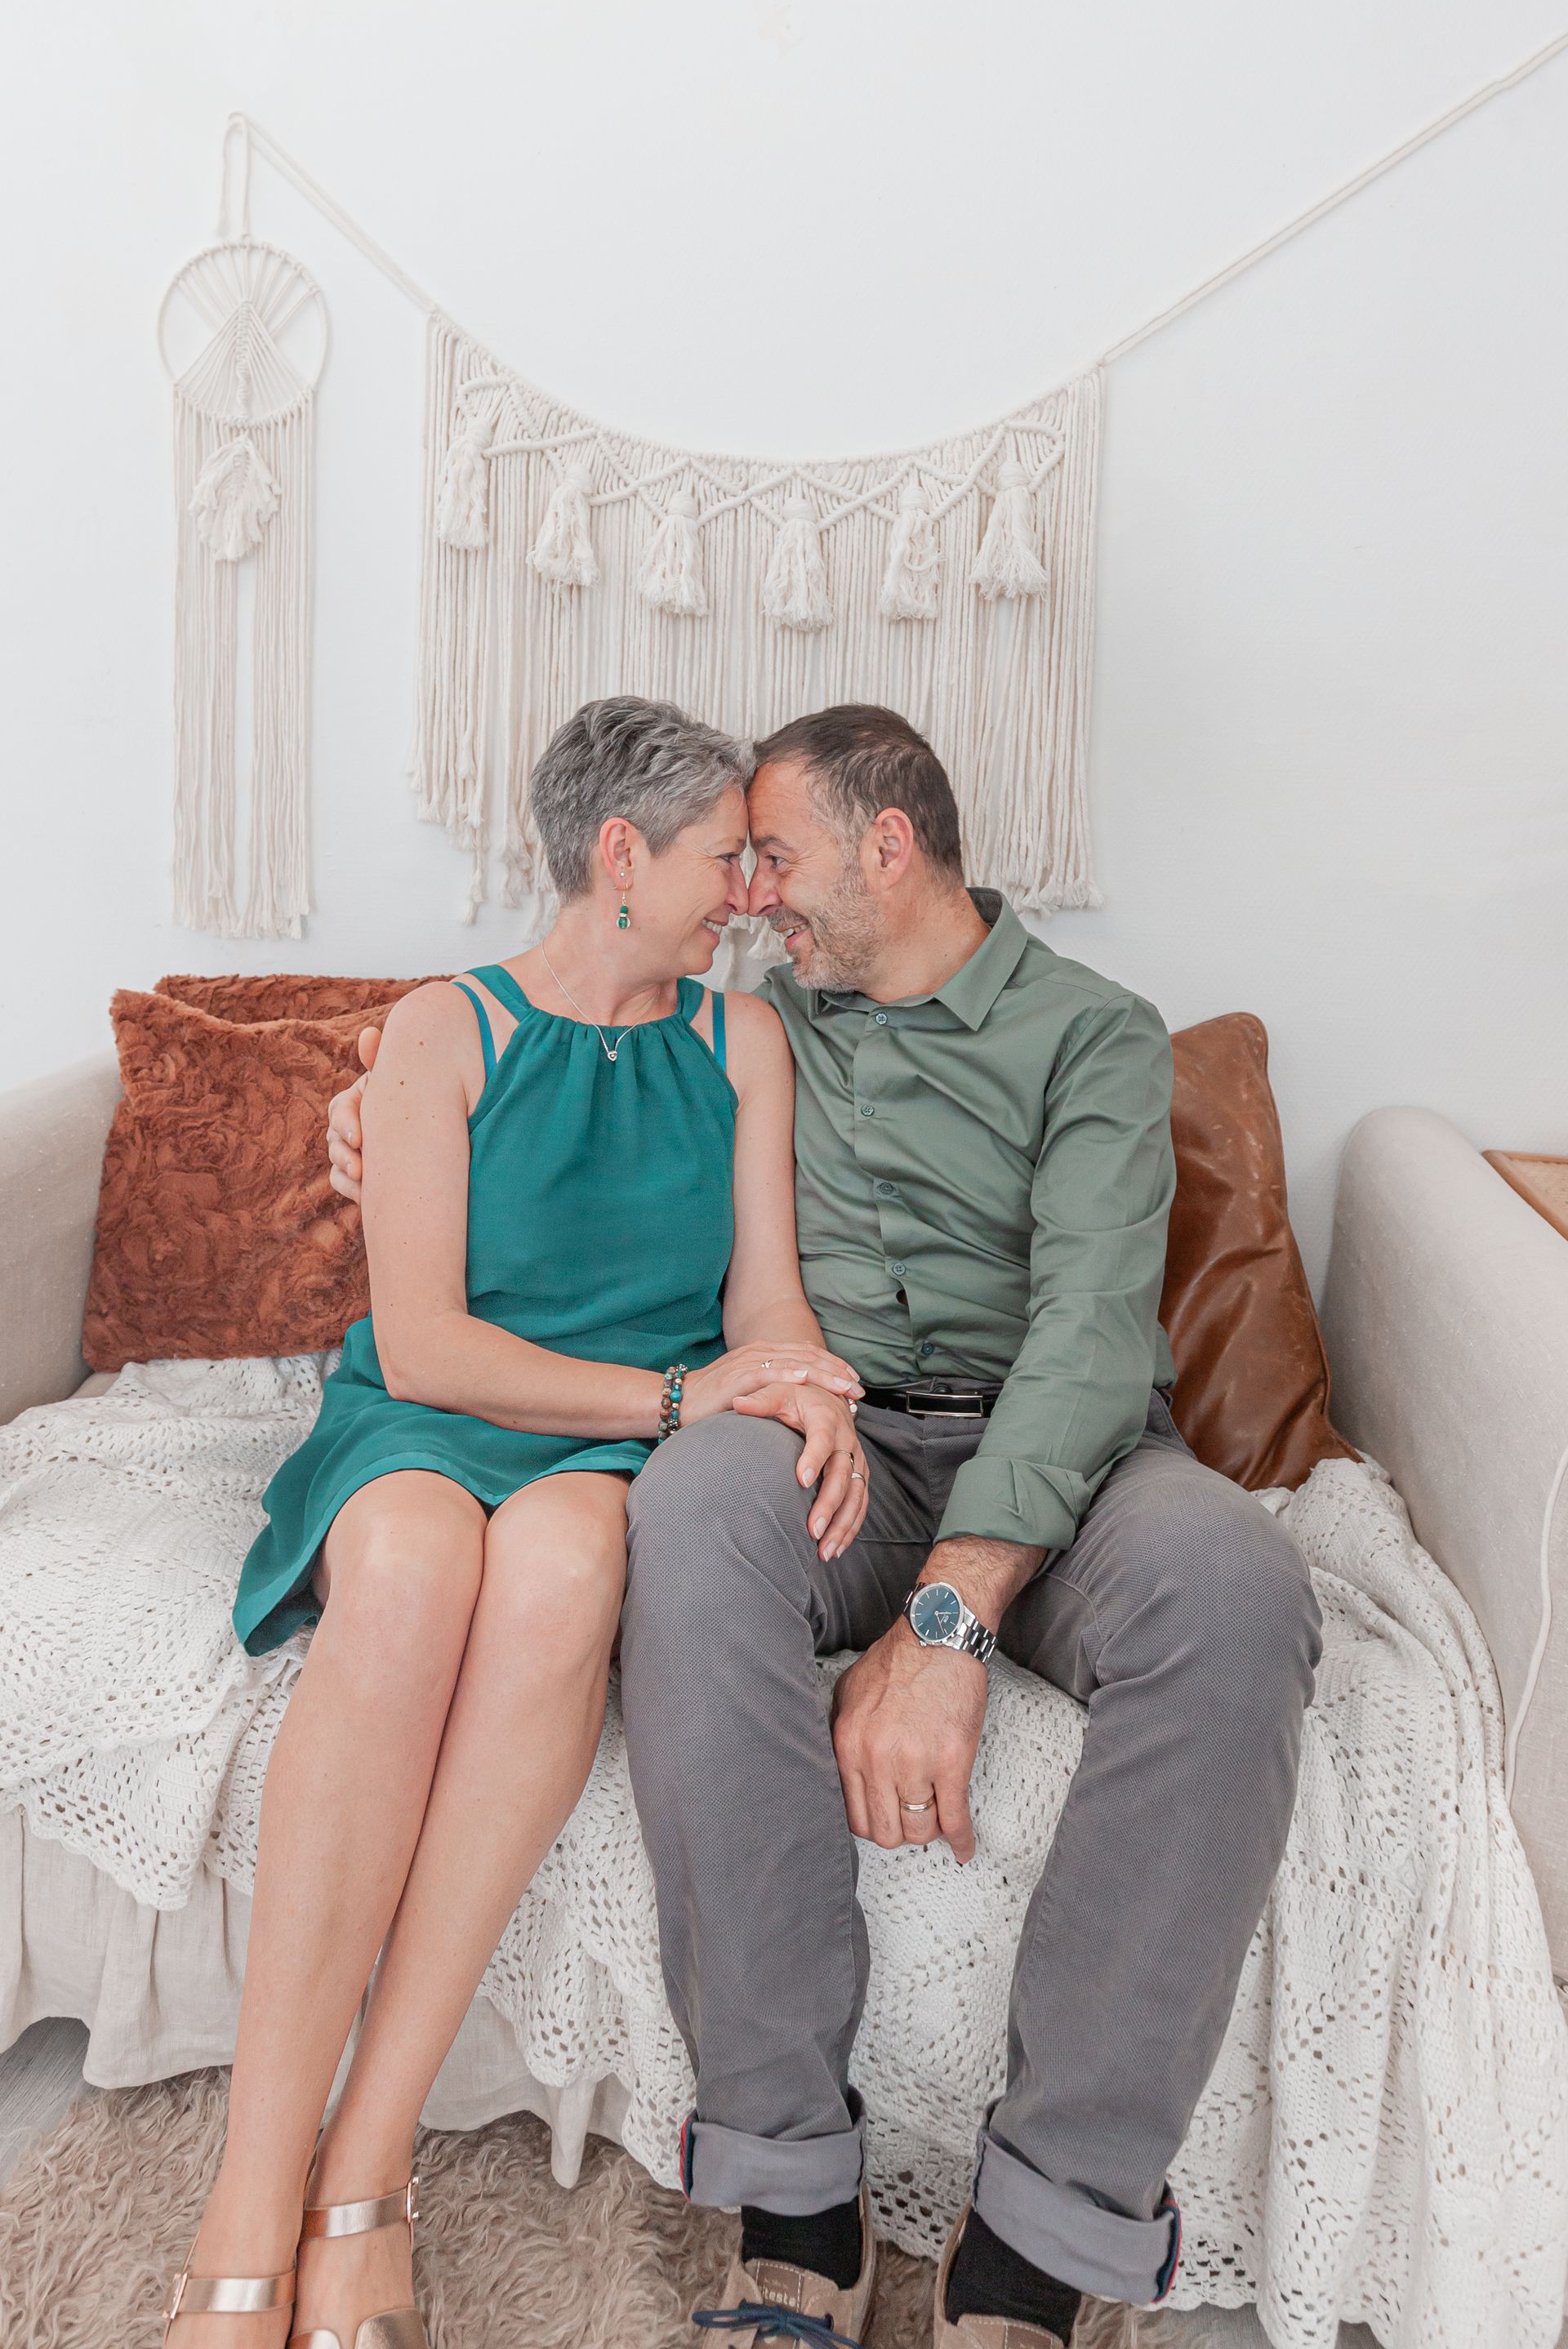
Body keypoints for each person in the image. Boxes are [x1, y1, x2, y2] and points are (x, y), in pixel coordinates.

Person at [328, 703, 1323, 2349]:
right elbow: (557, 1051)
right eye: (740, 863)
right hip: (840, 1441)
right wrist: (359, 1114)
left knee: (1239, 1588)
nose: (756, 895)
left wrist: (946, 1622)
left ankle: (1042, 2242)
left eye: (777, 858)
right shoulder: (759, 1020)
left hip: (1063, 1458)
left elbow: (1088, 1336)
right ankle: (791, 2186)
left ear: (890, 844)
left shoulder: (1096, 1034)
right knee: (695, 1508)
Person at [163, 698, 867, 2349]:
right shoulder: (442, 1031)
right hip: (437, 1422)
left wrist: (792, 1382)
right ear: (618, 856)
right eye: (723, 858)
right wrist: (680, 1404)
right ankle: (248, 2202)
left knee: (559, 1578)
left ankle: (366, 2167)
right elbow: (426, 1345)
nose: (749, 892)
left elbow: (761, 1299)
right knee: (407, 1573)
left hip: (613, 1450)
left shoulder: (735, 1043)